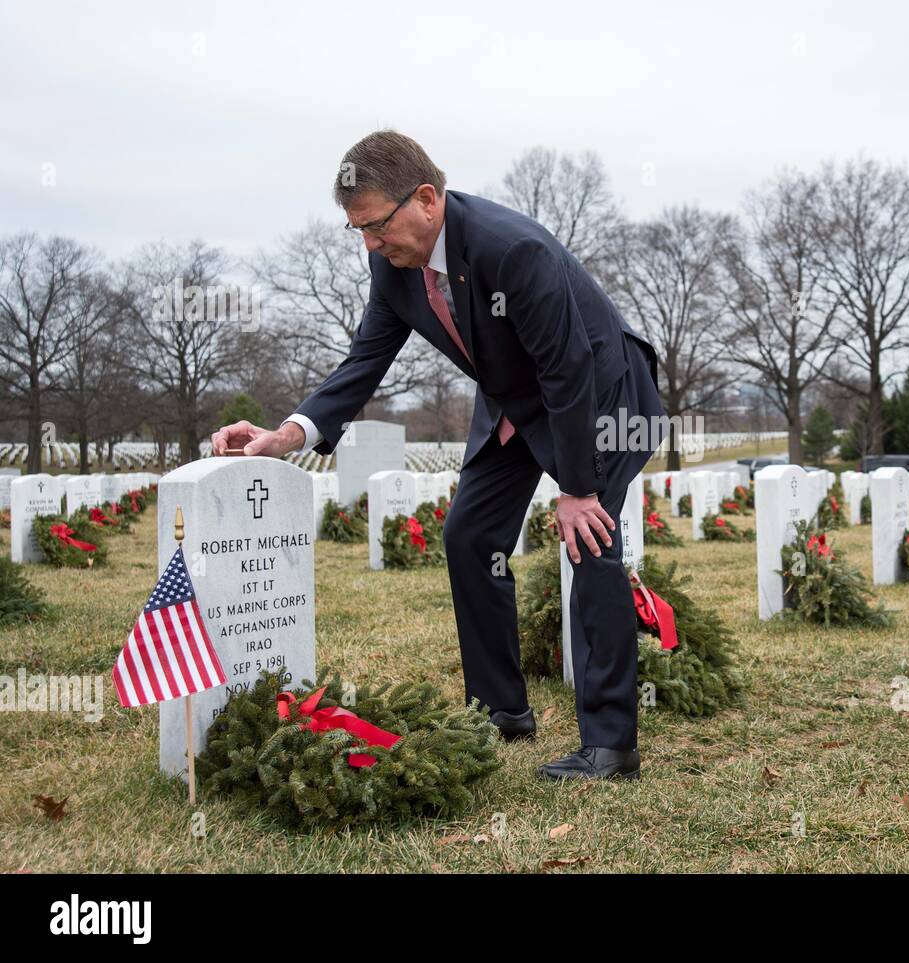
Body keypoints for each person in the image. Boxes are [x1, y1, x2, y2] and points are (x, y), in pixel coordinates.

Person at [212, 130, 665, 780]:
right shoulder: (392, 267)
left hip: (599, 397)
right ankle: (500, 711)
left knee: (589, 544)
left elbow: (567, 369)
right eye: (357, 231)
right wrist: (289, 434)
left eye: (375, 226)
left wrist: (577, 487)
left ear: (426, 199)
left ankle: (610, 745)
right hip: (513, 402)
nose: (369, 244)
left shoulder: (514, 250)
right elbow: (367, 356)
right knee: (469, 535)